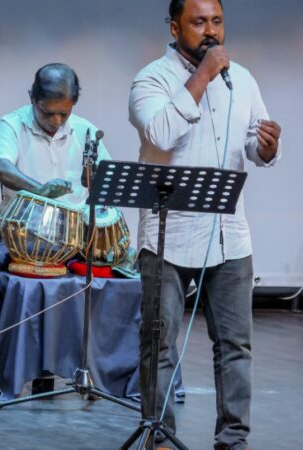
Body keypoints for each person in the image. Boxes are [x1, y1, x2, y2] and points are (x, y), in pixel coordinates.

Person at [128, 0, 282, 448]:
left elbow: (254, 146)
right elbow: (159, 133)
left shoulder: (244, 80)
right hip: (168, 236)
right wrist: (203, 76)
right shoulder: (151, 79)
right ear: (175, 27)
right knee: (159, 343)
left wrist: (267, 149)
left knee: (236, 346)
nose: (211, 31)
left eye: (217, 21)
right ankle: (159, 437)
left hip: (229, 236)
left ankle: (233, 439)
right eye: (199, 23)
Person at [0, 63, 111, 297]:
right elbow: (1, 167)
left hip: (76, 240)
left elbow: (108, 180)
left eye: (64, 113)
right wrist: (40, 191)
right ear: (32, 98)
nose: (57, 121)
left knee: (120, 269)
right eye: (48, 113)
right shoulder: (13, 124)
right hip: (21, 237)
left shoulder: (86, 131)